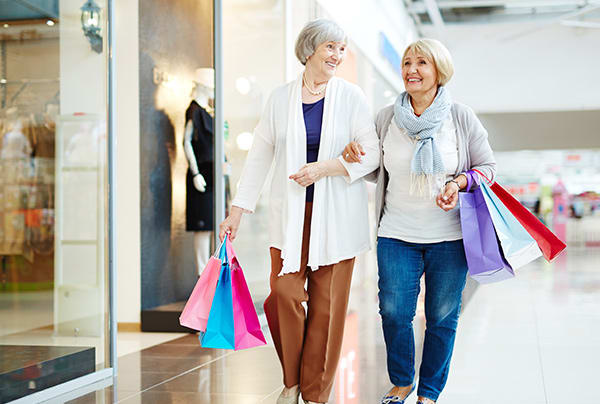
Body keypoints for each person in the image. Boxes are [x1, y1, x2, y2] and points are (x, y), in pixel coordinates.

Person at [219, 19, 379, 404]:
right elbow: (259, 157)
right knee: (282, 295)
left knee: (326, 310)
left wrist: (328, 166)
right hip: (291, 218)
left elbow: (372, 153)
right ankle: (292, 379)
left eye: (341, 49)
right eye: (330, 47)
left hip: (337, 218)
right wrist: (238, 209)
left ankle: (313, 395)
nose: (337, 56)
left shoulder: (352, 97)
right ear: (309, 50)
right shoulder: (280, 99)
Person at [343, 38, 496, 404]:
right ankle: (402, 381)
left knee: (442, 318)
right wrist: (352, 152)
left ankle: (429, 392)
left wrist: (458, 183)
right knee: (394, 312)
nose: (412, 69)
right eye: (407, 62)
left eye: (421, 63)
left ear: (438, 71)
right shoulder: (386, 118)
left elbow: (487, 168)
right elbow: (372, 169)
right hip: (396, 232)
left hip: (450, 237)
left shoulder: (459, 117)